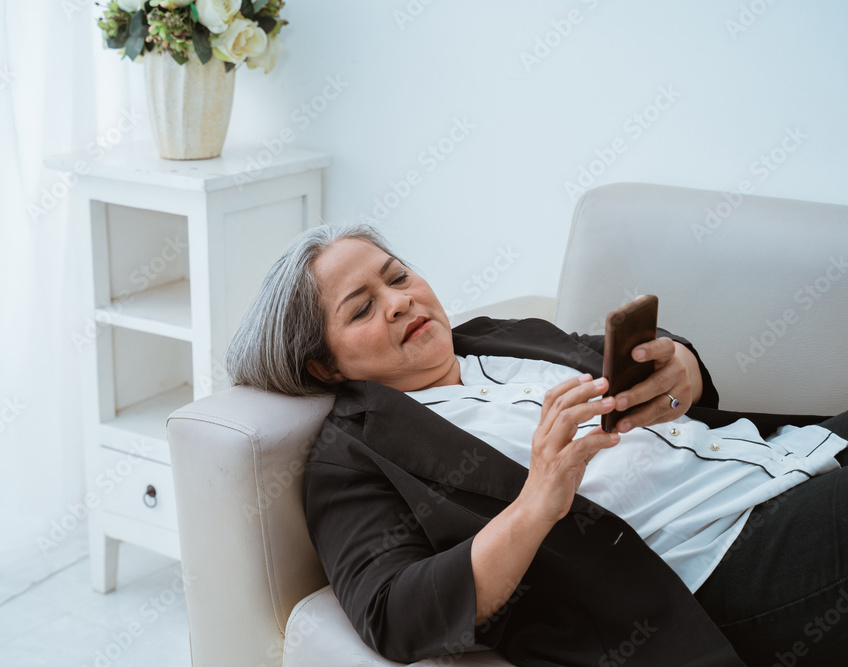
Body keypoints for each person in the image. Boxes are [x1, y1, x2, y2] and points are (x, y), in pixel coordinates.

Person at [224, 223, 848, 667]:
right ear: (325, 367)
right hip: (717, 558)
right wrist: (537, 501)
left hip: (793, 455)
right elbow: (391, 611)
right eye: (362, 309)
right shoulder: (351, 457)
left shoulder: (503, 334)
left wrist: (681, 365)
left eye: (398, 277)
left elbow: (653, 376)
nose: (399, 302)